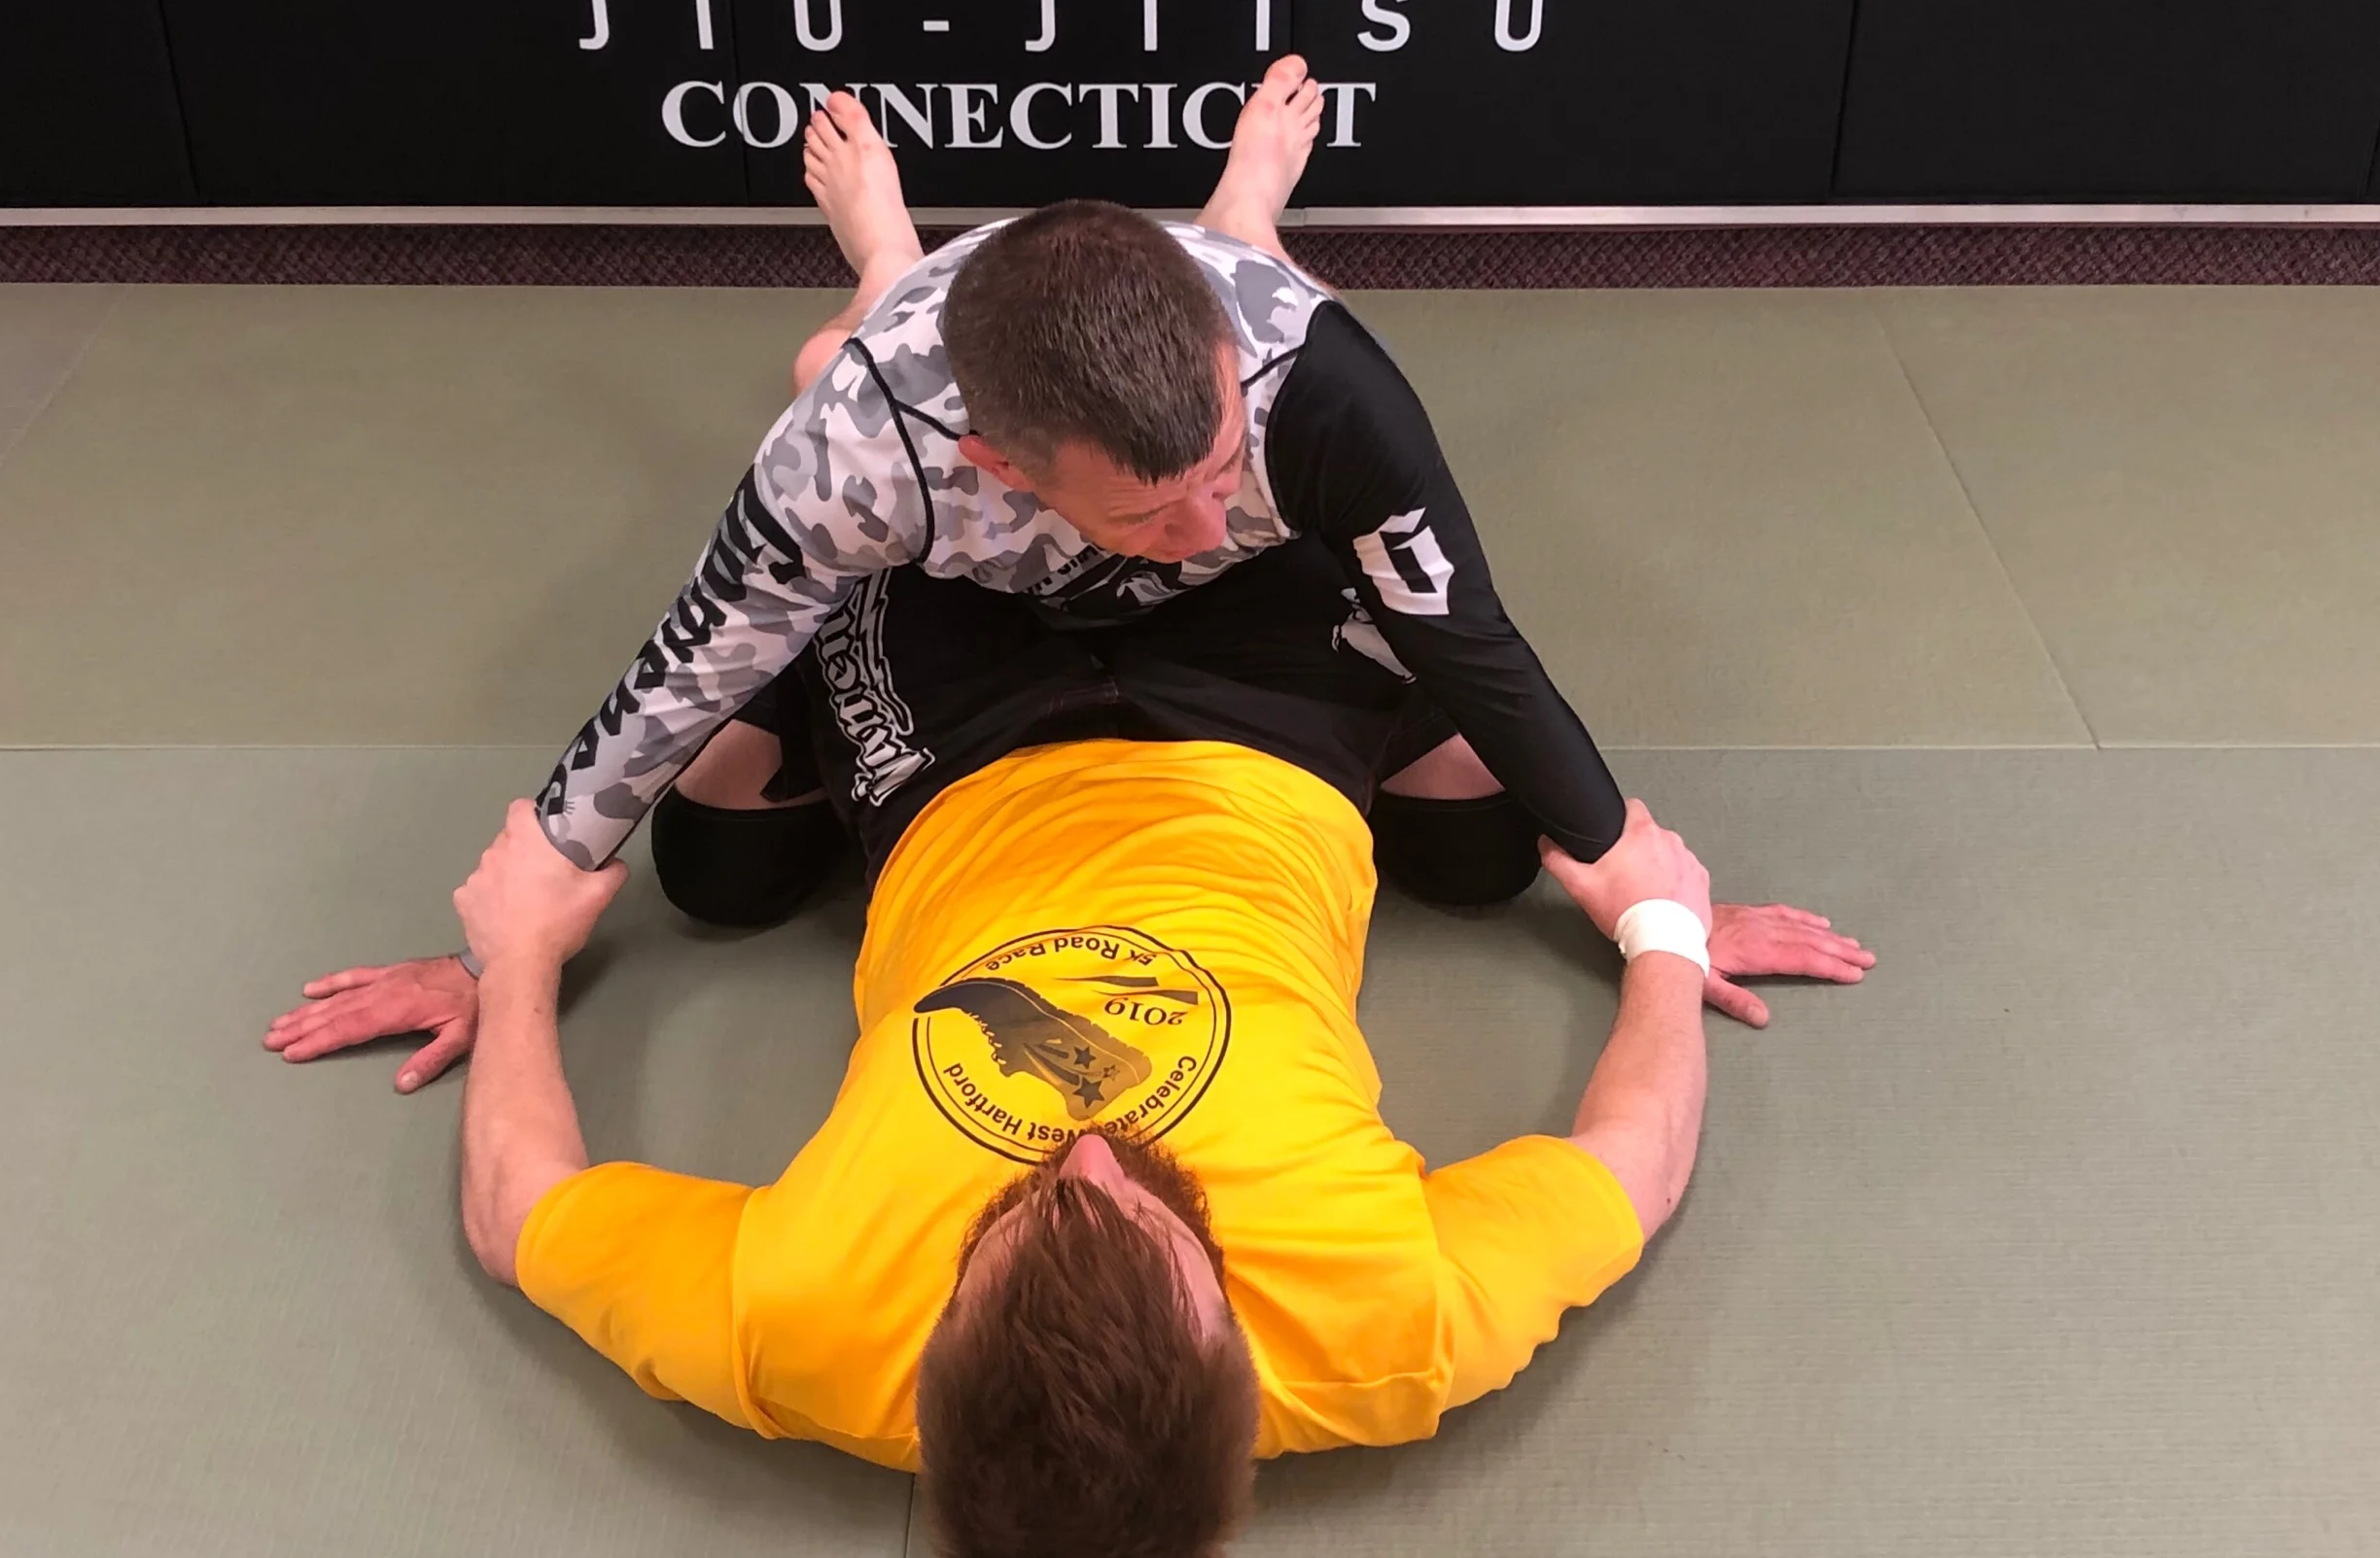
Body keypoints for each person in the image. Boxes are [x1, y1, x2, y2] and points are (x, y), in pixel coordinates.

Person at [269, 57, 1857, 1093]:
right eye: (1160, 504)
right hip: (964, 576)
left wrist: (1647, 894)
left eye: (1219, 464)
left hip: (1252, 535)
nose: (1206, 513)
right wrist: (501, 952)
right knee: (721, 874)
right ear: (1004, 466)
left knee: (1479, 852)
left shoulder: (1317, 392)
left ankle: (1242, 219)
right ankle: (888, 267)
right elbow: (682, 668)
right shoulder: (865, 454)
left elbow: (1469, 634)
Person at [404, 529, 1873, 1558]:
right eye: (1160, 1230)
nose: (1093, 1155)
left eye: (1017, 1223)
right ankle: (1251, 276)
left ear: (927, 1363)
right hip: (1275, 744)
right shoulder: (1392, 1323)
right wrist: (1664, 934)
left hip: (954, 768)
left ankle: (886, 316)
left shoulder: (806, 1328)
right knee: (1484, 841)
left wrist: (515, 961)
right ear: (1240, 1356)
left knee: (727, 843)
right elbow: (1638, 1163)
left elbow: (514, 1210)